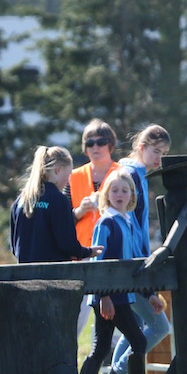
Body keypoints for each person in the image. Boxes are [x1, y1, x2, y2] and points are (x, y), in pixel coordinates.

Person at [100, 125, 172, 374]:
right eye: (155, 151)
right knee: (158, 326)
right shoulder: (130, 174)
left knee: (137, 328)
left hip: (137, 265)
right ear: (141, 147)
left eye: (164, 153)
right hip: (130, 267)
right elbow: (132, 230)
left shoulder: (139, 175)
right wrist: (145, 276)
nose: (159, 158)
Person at [79, 169, 151, 374]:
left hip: (123, 295)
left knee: (101, 348)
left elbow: (135, 264)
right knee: (138, 340)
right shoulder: (106, 223)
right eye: (114, 190)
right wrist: (104, 296)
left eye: (124, 190)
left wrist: (149, 294)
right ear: (107, 194)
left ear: (132, 195)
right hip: (111, 297)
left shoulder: (128, 222)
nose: (119, 194)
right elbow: (98, 262)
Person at [66, 119, 121, 336]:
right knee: (76, 316)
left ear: (111, 145)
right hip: (81, 253)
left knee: (118, 313)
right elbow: (64, 220)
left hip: (114, 251)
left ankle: (114, 367)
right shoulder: (73, 176)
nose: (95, 147)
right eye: (90, 143)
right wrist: (81, 210)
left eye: (101, 142)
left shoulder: (122, 172)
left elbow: (132, 211)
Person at [10, 145, 101, 263]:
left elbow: (14, 245)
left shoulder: (21, 200)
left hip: (24, 275)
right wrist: (88, 252)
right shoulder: (58, 200)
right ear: (57, 170)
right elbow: (67, 244)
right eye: (68, 175)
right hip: (54, 275)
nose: (68, 180)